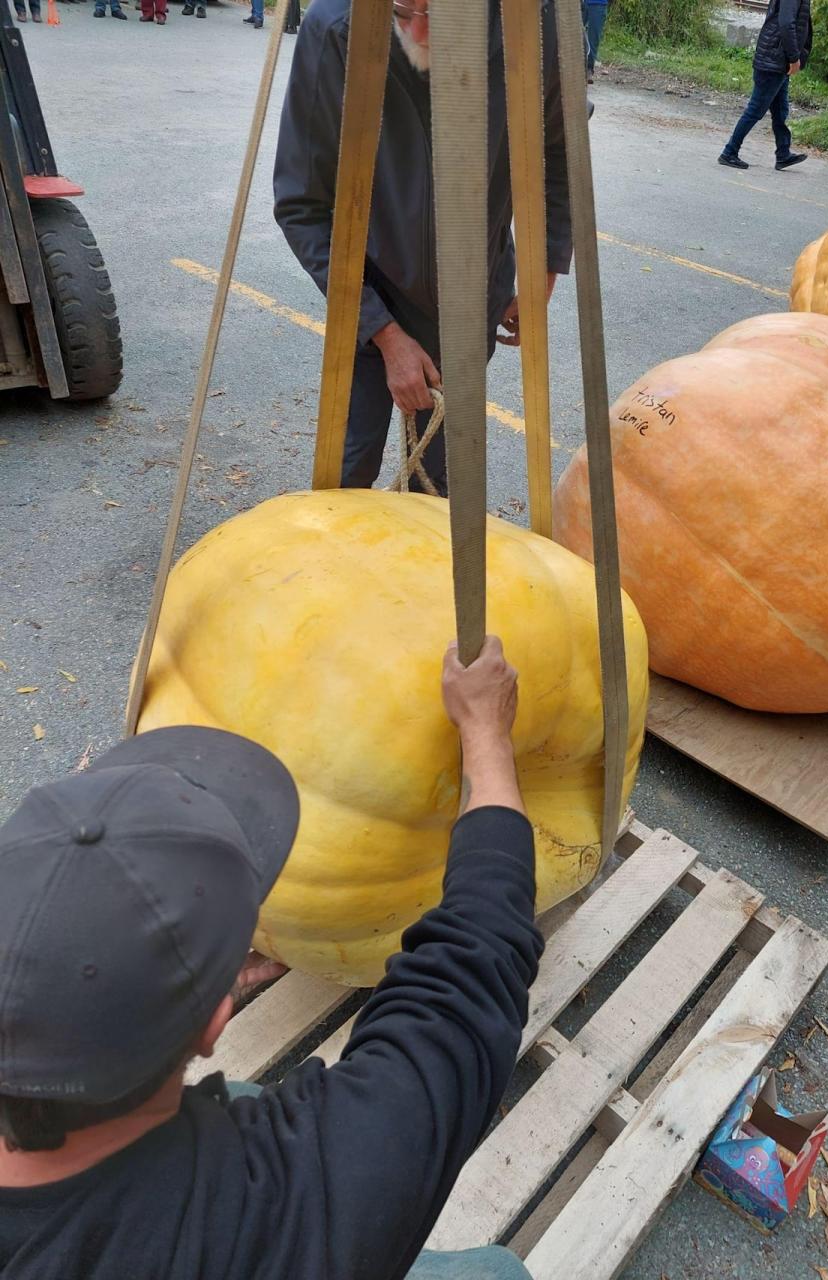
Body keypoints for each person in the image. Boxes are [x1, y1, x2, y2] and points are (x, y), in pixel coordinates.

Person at [0, 636, 542, 1280]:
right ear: (213, 1026)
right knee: (496, 1274)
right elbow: (472, 973)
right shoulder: (289, 1201)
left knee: (244, 1093)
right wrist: (486, 736)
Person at [274, 0, 571, 496]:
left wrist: (541, 273)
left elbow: (556, 155)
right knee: (348, 470)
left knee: (438, 484)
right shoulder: (337, 29)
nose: (421, 32)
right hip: (368, 287)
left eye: (444, 14)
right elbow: (303, 204)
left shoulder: (535, 26)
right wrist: (383, 332)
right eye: (401, 10)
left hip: (473, 291)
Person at [718, 0, 811, 171]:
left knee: (780, 110)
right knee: (755, 110)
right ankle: (729, 152)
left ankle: (783, 154)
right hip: (774, 60)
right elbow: (786, 23)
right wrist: (794, 57)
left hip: (777, 61)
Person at [582, 0, 608, 85]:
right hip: (581, 3)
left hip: (598, 4)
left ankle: (588, 69)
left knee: (593, 39)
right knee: (571, 33)